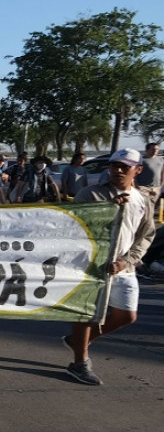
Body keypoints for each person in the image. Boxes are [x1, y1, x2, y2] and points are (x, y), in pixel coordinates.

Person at [64, 148, 155, 385]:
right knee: (86, 313)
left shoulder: (142, 199)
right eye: (115, 165)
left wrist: (128, 260)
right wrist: (108, 211)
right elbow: (73, 228)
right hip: (91, 266)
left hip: (124, 267)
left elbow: (145, 235)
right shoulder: (90, 194)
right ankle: (79, 362)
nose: (118, 170)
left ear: (138, 170)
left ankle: (79, 340)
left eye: (125, 166)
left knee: (126, 315)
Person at [135, 142, 161, 213]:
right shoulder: (141, 161)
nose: (155, 150)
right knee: (146, 206)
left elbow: (162, 172)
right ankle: (147, 222)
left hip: (156, 188)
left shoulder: (161, 160)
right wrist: (137, 186)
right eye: (153, 149)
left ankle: (147, 221)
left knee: (151, 206)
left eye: (156, 149)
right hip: (143, 188)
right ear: (147, 150)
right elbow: (134, 174)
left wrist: (161, 184)